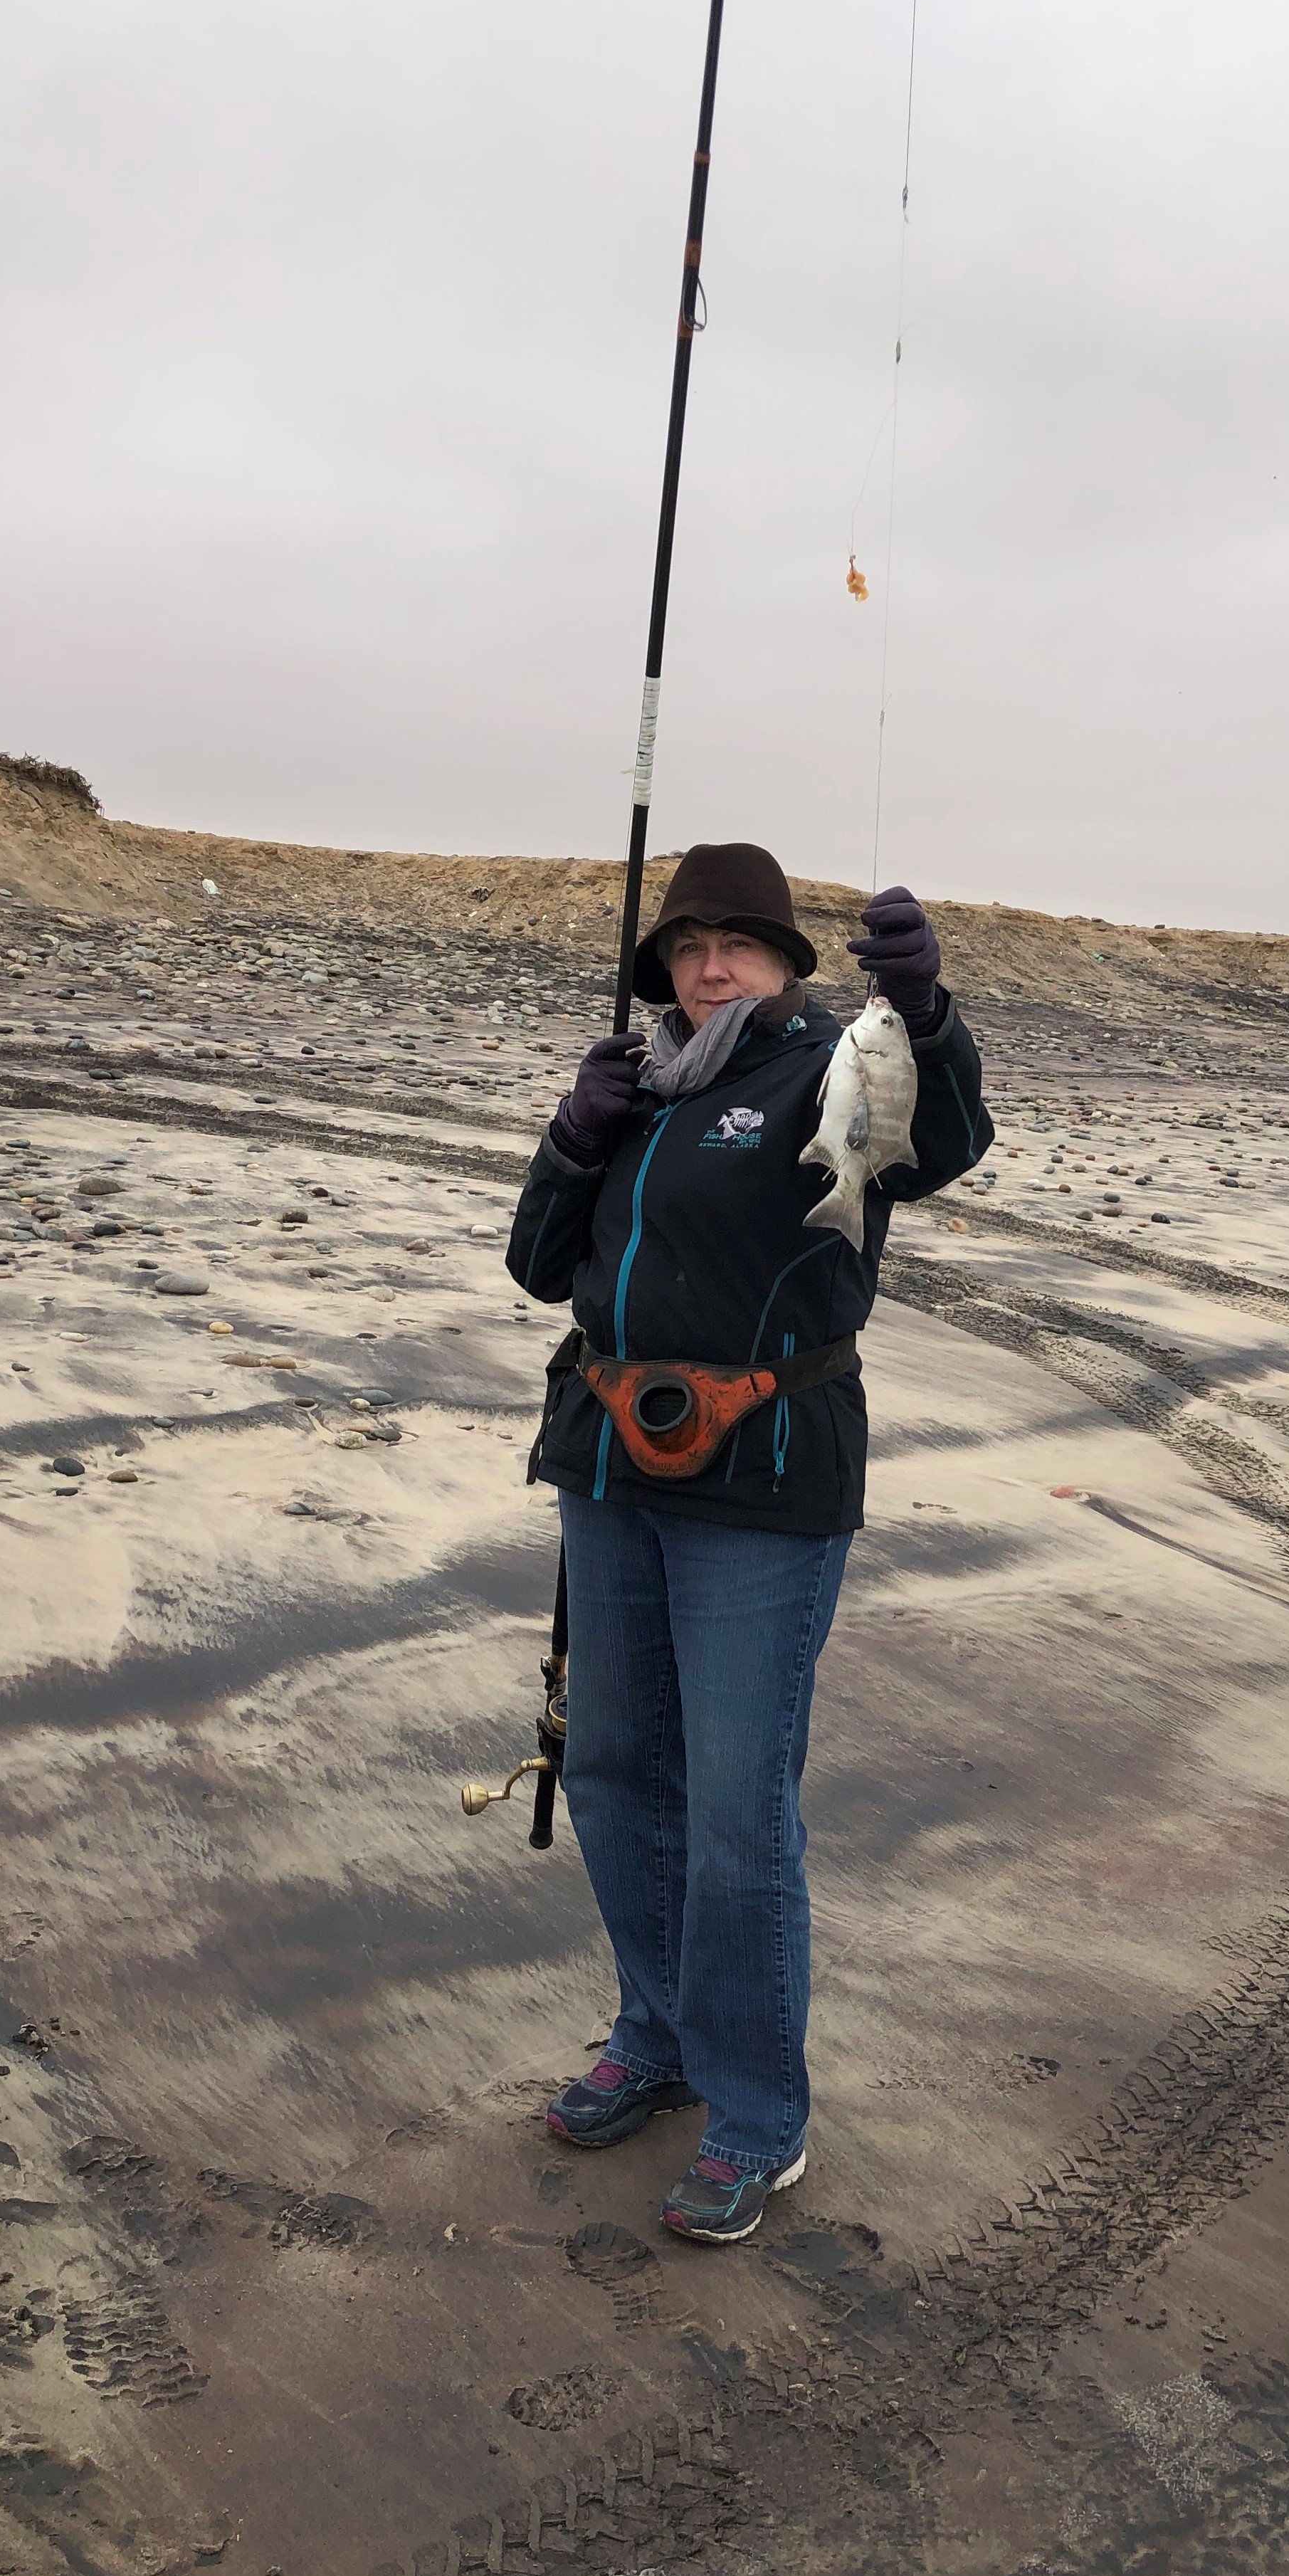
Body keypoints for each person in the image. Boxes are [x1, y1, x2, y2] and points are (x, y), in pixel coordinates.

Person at [505, 843, 994, 2241]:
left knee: (735, 1806)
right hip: (610, 1459)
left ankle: (757, 2115)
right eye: (689, 945)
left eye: (741, 943)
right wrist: (574, 1137)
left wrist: (931, 1012)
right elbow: (541, 1266)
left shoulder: (832, 1066)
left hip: (765, 1474)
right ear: (662, 968)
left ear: (788, 965)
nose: (711, 965)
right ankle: (653, 2037)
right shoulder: (640, 1086)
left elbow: (942, 1142)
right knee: (609, 1766)